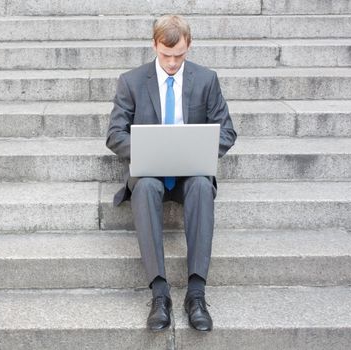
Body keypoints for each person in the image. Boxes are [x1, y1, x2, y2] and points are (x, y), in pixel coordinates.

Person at [106, 15, 237, 332]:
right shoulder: (132, 81)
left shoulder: (206, 80)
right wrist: (149, 151)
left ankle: (196, 294)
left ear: (189, 46)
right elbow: (115, 135)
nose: (172, 63)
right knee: (146, 186)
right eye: (166, 55)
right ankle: (160, 295)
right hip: (151, 172)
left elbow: (227, 132)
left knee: (202, 187)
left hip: (190, 172)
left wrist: (201, 151)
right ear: (154, 44)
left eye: (179, 55)